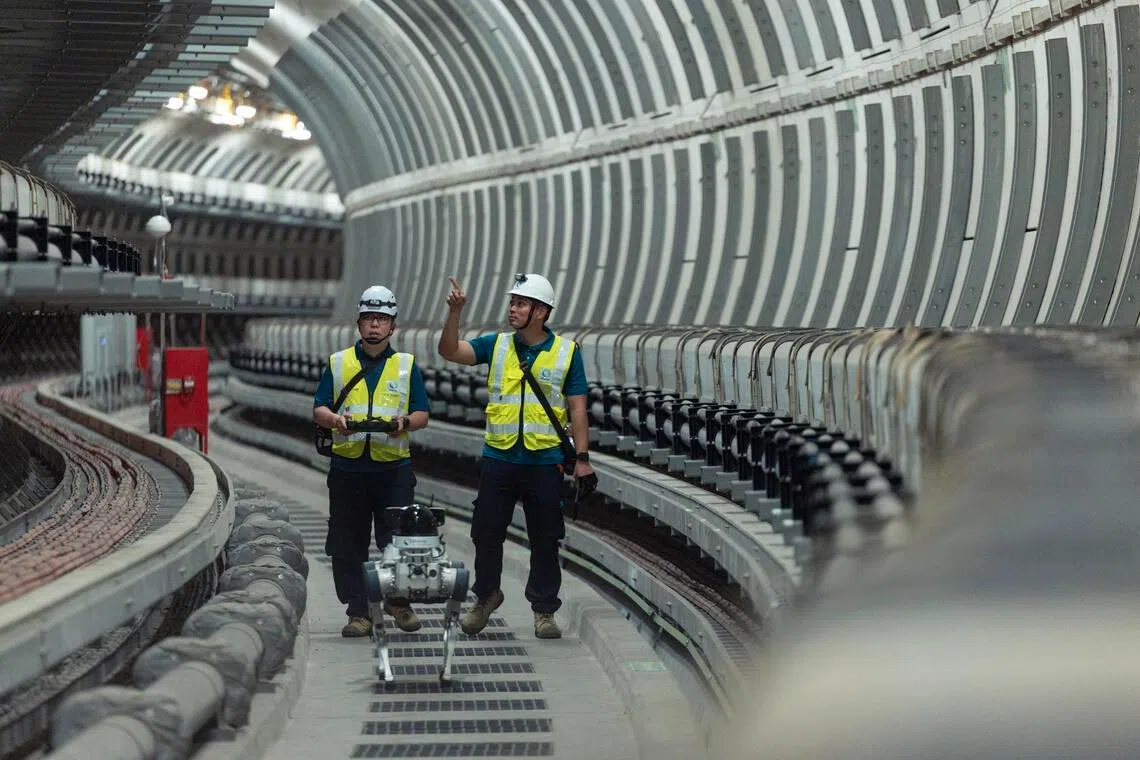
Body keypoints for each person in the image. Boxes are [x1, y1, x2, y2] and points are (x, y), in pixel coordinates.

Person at [437, 273, 596, 639]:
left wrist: (583, 458)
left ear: (540, 312)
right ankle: (486, 596)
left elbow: (577, 408)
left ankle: (544, 610)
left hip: (544, 461)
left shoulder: (566, 353)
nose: (512, 309)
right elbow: (450, 351)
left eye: (521, 304)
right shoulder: (497, 345)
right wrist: (454, 314)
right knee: (486, 533)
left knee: (545, 537)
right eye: (512, 303)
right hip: (500, 457)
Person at [312, 285, 430, 637]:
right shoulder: (338, 363)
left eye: (381, 319)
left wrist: (404, 424)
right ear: (358, 323)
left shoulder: (406, 367)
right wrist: (334, 421)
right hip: (349, 468)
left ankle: (398, 600)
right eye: (369, 319)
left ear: (392, 326)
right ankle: (358, 612)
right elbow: (319, 407)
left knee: (399, 540)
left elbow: (422, 413)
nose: (374, 326)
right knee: (348, 543)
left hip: (393, 469)